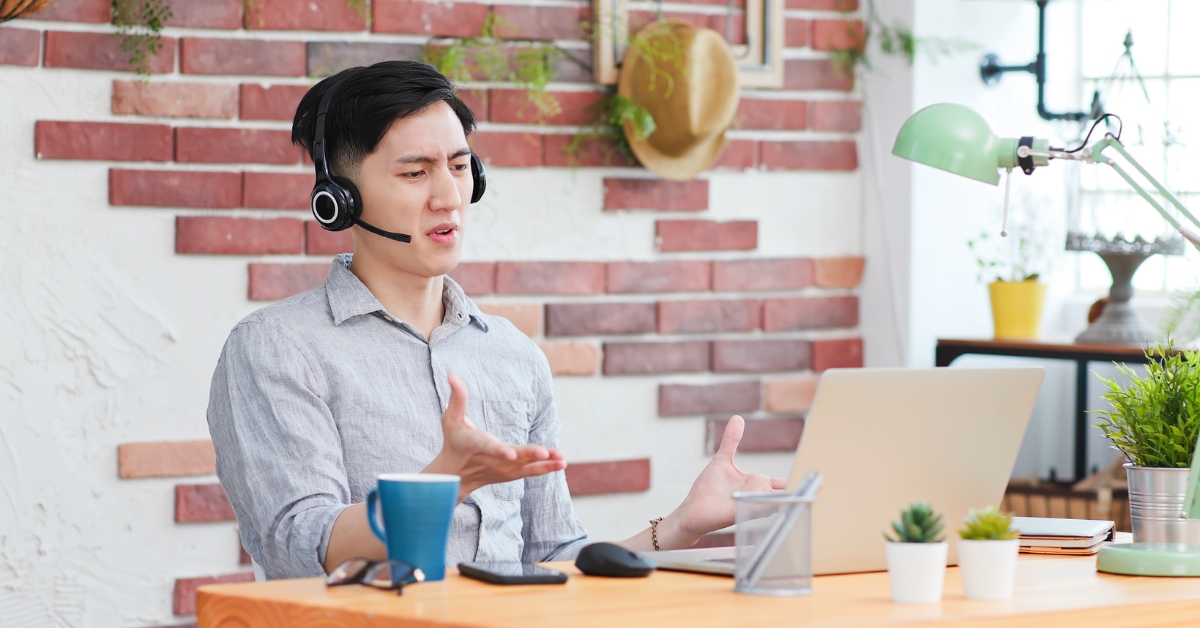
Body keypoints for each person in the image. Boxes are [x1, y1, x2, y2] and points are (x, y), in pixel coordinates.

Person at [207, 60, 785, 580]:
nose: (449, 197)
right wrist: (443, 484)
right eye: (415, 174)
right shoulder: (277, 349)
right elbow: (298, 547)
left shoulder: (510, 355)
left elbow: (552, 559)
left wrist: (683, 524)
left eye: (460, 167)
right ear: (340, 198)